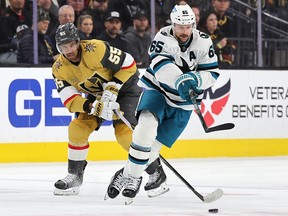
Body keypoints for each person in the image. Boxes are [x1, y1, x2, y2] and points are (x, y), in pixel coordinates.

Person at [106, 4, 220, 202]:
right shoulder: (162, 37)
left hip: (183, 104)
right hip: (158, 90)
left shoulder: (203, 41)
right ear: (172, 24)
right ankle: (134, 178)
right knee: (144, 129)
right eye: (180, 26)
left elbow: (212, 72)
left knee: (154, 149)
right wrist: (180, 80)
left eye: (188, 26)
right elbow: (160, 65)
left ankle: (124, 174)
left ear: (193, 24)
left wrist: (196, 80)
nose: (184, 31)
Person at [52, 22, 166, 196]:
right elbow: (69, 100)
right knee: (77, 129)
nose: (69, 50)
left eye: (71, 44)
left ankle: (156, 173)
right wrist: (93, 107)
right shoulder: (59, 69)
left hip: (126, 89)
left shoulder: (95, 49)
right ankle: (75, 175)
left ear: (78, 41)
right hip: (97, 96)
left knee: (125, 136)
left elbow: (129, 64)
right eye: (63, 47)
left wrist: (113, 87)